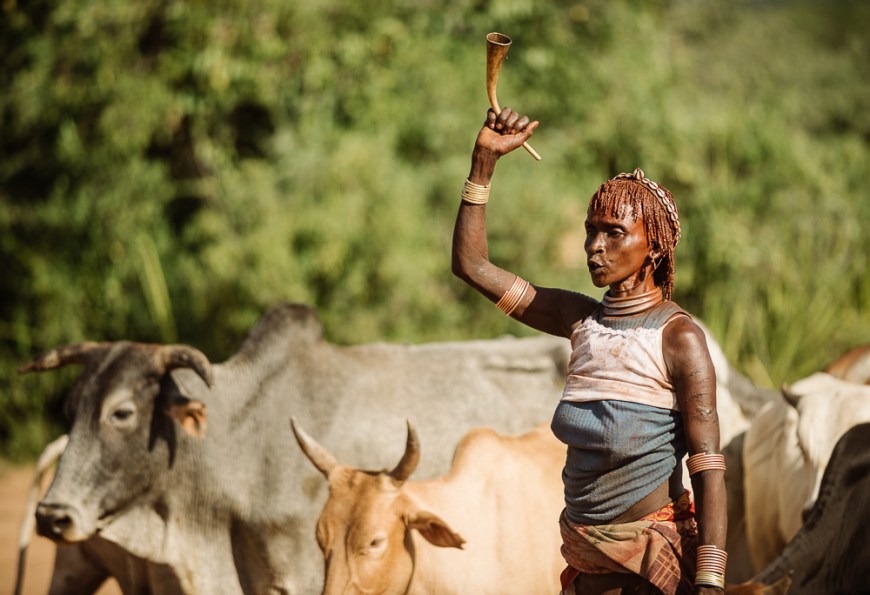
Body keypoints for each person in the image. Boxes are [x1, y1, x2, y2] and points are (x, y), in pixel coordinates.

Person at [451, 107, 727, 595]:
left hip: (652, 567)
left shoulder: (678, 338)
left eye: (614, 232)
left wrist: (709, 580)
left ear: (655, 247)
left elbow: (706, 463)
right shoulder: (578, 320)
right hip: (584, 564)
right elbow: (471, 265)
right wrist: (483, 163)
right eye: (590, 230)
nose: (594, 247)